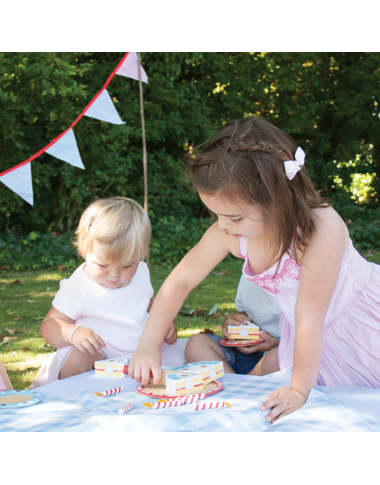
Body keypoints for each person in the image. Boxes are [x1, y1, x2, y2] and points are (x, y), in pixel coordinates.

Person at [128, 117, 380, 424]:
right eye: (215, 214)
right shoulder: (231, 233)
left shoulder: (322, 228)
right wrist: (147, 343)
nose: (222, 225)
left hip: (362, 325)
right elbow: (180, 281)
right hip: (310, 335)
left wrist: (299, 391)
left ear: (276, 200)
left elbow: (309, 315)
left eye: (234, 217)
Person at [31, 197, 187, 389]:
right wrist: (72, 332)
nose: (114, 275)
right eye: (103, 265)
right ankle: (72, 394)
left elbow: (148, 301)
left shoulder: (141, 272)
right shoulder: (79, 286)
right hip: (100, 355)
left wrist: (164, 321)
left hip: (139, 349)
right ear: (84, 252)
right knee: (78, 358)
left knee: (185, 355)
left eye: (127, 265)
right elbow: (49, 325)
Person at [185, 273, 281, 375]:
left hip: (276, 356)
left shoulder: (295, 278)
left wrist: (278, 344)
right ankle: (232, 381)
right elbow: (244, 313)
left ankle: (241, 385)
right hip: (240, 352)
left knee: (277, 358)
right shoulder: (249, 273)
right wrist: (231, 322)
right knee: (197, 343)